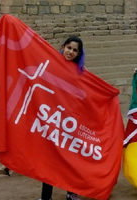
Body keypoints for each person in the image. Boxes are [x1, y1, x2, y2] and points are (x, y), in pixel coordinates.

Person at [39, 36, 84, 200]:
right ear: (63, 46)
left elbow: (83, 93)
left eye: (75, 50)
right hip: (51, 118)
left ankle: (71, 193)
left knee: (69, 158)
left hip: (68, 120)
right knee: (49, 159)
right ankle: (46, 196)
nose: (70, 52)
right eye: (69, 48)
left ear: (79, 53)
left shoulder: (79, 72)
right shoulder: (52, 64)